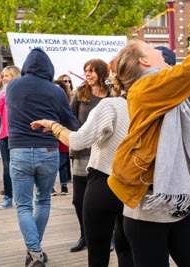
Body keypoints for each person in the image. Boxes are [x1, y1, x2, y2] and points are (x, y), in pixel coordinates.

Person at [108, 14, 190, 267]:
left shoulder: (167, 93)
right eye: (153, 51)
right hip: (147, 214)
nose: (161, 54)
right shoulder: (146, 89)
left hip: (178, 208)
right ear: (144, 61)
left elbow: (174, 149)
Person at [30, 85, 133, 267]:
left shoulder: (110, 105)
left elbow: (77, 141)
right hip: (133, 188)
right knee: (127, 252)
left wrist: (53, 125)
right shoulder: (151, 106)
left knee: (97, 256)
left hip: (104, 182)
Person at [6, 48, 79, 267]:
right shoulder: (56, 91)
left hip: (18, 150)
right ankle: (36, 249)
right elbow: (72, 123)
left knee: (23, 206)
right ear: (49, 67)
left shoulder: (12, 86)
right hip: (48, 151)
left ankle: (35, 251)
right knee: (44, 200)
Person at [69, 59, 111, 253]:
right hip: (82, 152)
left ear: (101, 73)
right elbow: (70, 119)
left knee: (104, 199)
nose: (88, 73)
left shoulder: (111, 95)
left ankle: (108, 236)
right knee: (79, 199)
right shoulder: (80, 93)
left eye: (92, 71)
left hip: (104, 152)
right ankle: (84, 235)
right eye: (86, 70)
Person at [0, 66, 21, 210]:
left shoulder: (23, 93)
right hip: (5, 136)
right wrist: (3, 97)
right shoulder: (3, 92)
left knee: (20, 167)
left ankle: (21, 196)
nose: (4, 78)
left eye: (7, 75)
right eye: (3, 76)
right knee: (6, 168)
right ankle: (8, 197)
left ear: (15, 76)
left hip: (19, 135)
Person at [50, 80, 72, 196]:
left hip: (62, 136)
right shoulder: (46, 104)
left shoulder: (66, 105)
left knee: (63, 162)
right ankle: (51, 187)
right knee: (52, 163)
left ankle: (64, 185)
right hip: (50, 137)